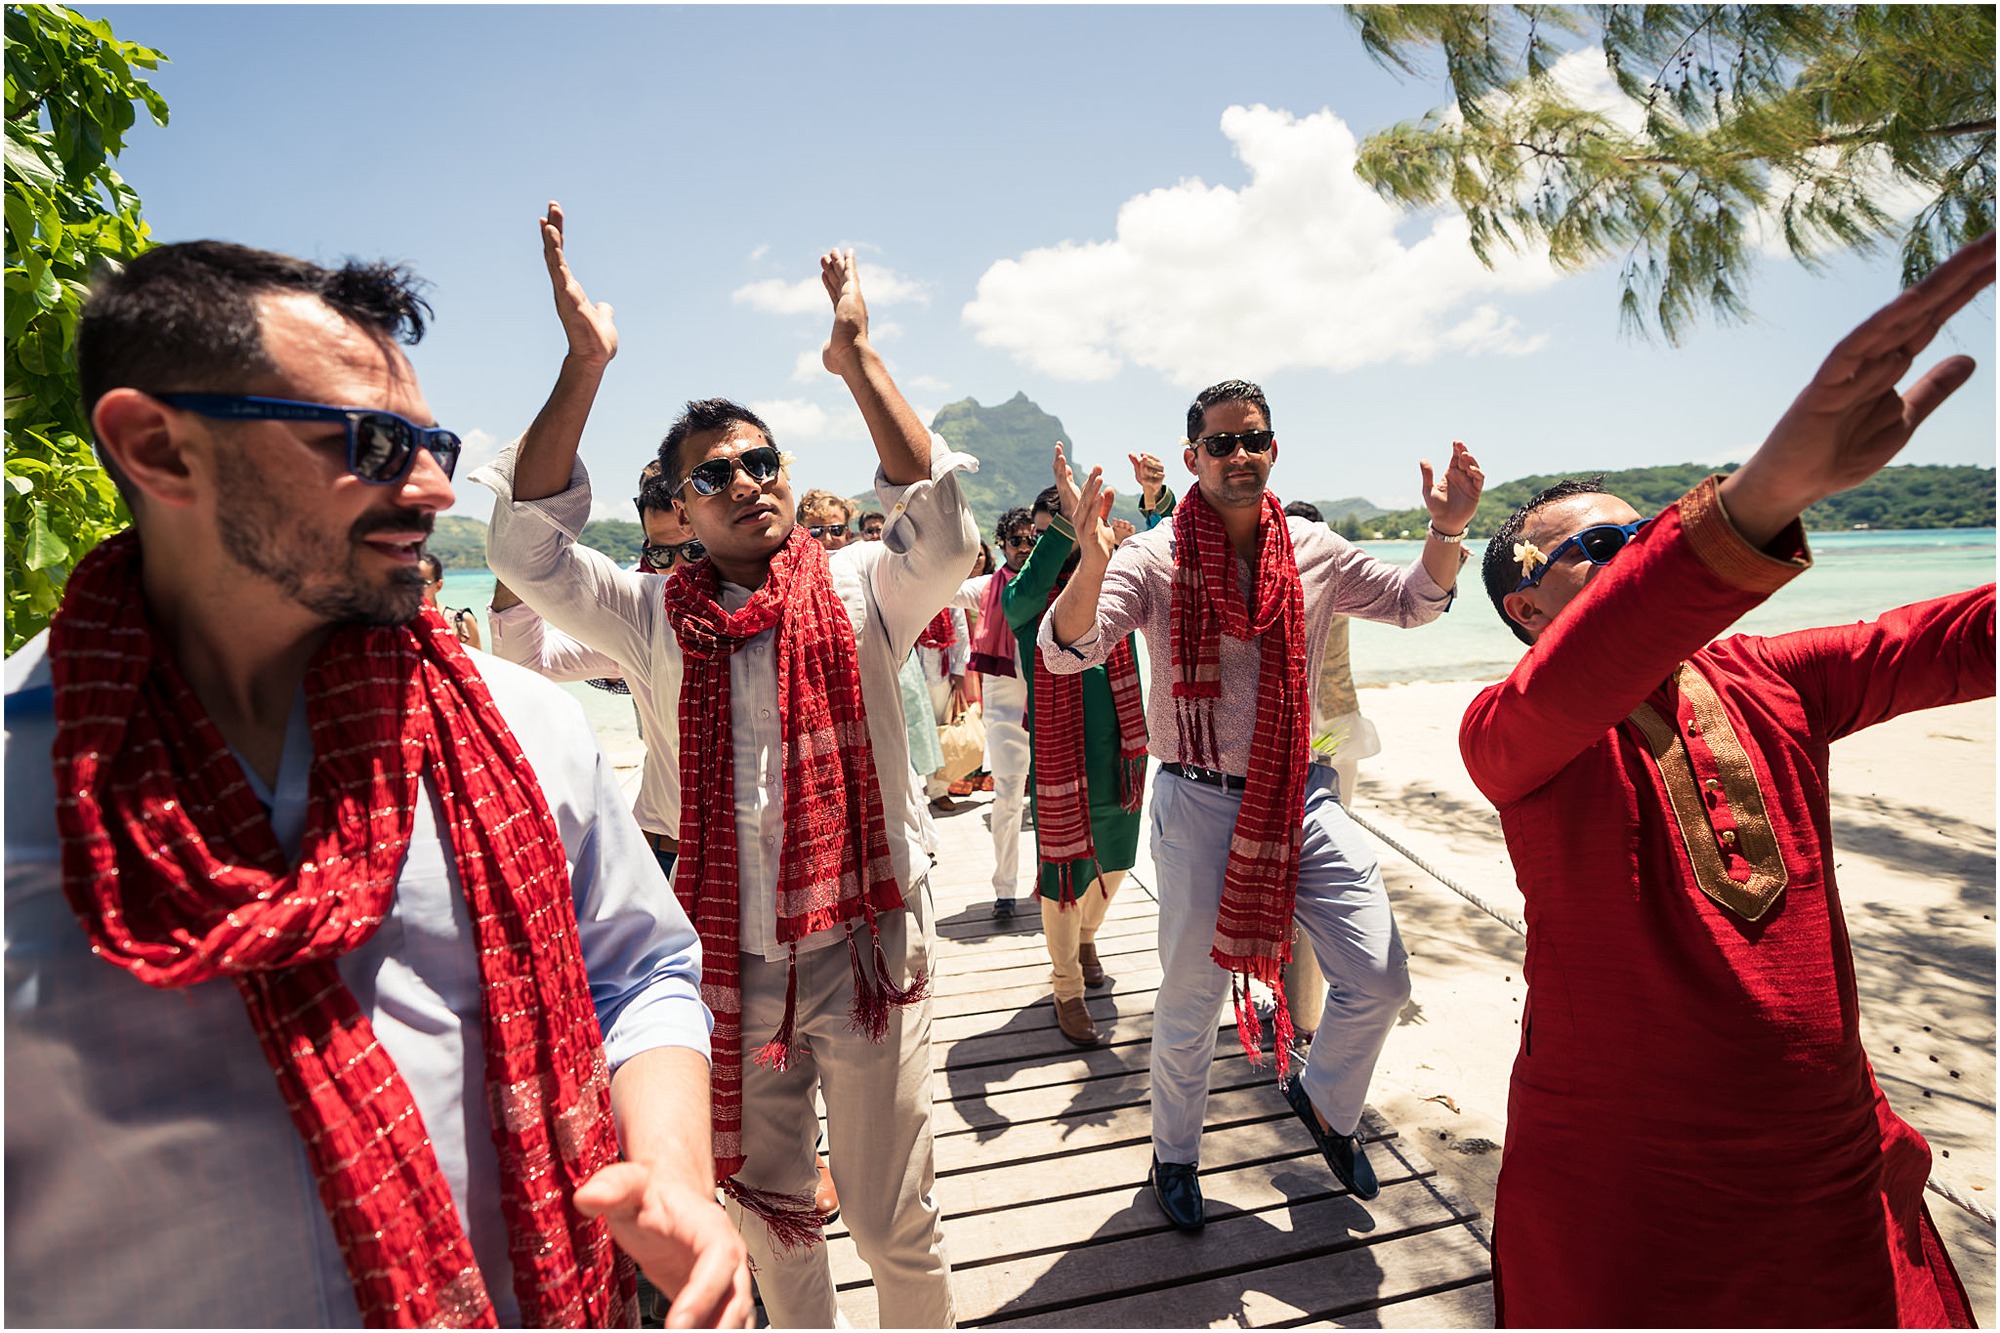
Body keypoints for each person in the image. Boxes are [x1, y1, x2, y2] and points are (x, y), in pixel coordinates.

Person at [4, 239, 751, 1327]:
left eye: (432, 443)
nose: (435, 488)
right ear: (158, 449)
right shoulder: (27, 780)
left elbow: (636, 974)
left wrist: (678, 1175)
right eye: (373, 443)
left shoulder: (520, 730)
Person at [1460, 235, 1994, 1328]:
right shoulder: (1511, 729)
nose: (1644, 544)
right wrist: (1761, 494)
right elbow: (1599, 658)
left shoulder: (1773, 676)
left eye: (1647, 527)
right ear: (1524, 608)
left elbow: (1955, 635)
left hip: (1823, 1159)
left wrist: (1758, 503)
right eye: (1601, 543)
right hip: (1626, 1185)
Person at [481, 203, 970, 1328]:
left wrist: (857, 359)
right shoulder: (652, 616)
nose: (748, 480)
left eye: (762, 461)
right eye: (717, 473)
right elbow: (523, 550)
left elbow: (939, 532)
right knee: (771, 1216)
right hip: (722, 966)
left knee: (896, 1223)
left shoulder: (857, 589)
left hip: (863, 951)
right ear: (681, 507)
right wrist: (583, 365)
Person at [1042, 378, 1483, 1232]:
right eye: (1220, 443)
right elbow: (1068, 653)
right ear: (1191, 458)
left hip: (1302, 795)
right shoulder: (1154, 556)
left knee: (1380, 976)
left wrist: (1448, 530)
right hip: (1197, 800)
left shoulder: (1313, 546)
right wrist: (1094, 559)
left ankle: (1324, 1101)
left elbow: (1415, 603)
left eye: (1253, 440)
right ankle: (1175, 1153)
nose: (1238, 455)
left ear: (1273, 449)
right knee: (1192, 997)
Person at [1006, 448, 1145, 1047]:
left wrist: (1128, 528)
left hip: (1121, 751)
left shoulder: (1113, 586)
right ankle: (1066, 988)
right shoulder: (1025, 601)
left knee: (1114, 863)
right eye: (1042, 537)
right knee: (1066, 874)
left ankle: (1087, 940)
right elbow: (1035, 581)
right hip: (1063, 762)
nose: (1050, 547)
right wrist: (1069, 522)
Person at [1276, 498, 1383, 1050]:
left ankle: (1297, 1008)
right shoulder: (1339, 568)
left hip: (1312, 732)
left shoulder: (1285, 570)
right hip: (1339, 727)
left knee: (1292, 871)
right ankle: (1303, 1011)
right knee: (1318, 869)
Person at [951, 506, 1038, 919]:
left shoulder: (1054, 586)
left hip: (1052, 707)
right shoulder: (987, 588)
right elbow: (942, 589)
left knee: (1053, 804)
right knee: (1006, 800)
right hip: (1005, 712)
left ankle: (1052, 887)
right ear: (1002, 544)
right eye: (1016, 541)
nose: (1024, 547)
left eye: (1031, 540)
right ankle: (1005, 891)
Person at [418, 548, 483, 648]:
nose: (413, 588)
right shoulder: (398, 625)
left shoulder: (461, 623)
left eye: (422, 583)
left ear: (438, 586)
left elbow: (477, 662)